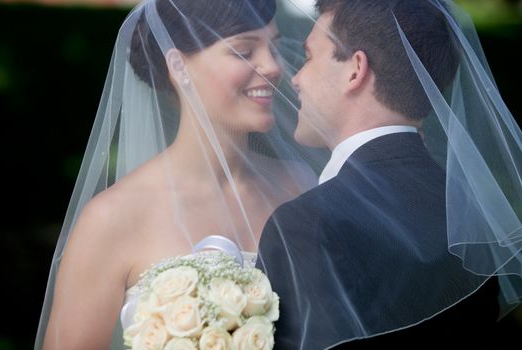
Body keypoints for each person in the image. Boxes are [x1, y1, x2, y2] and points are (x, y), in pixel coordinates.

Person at [35, 0, 319, 349]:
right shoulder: (111, 218)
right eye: (244, 51)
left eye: (273, 46)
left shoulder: (300, 185)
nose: (273, 66)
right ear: (178, 65)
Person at [257, 0, 522, 349]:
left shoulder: (305, 225)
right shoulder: (471, 217)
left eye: (308, 57)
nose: (295, 78)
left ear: (355, 69)